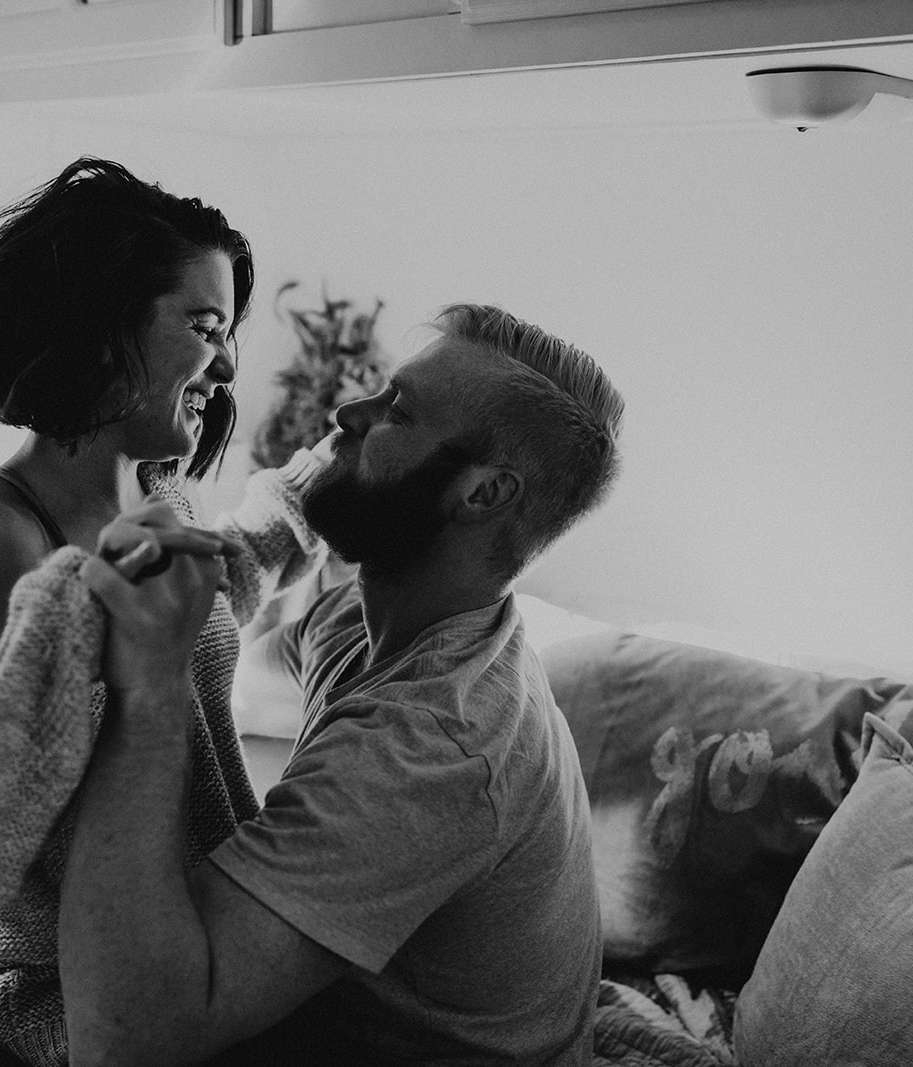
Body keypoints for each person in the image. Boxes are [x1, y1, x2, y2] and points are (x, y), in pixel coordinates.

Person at [0, 158, 331, 1067]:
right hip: (56, 1013)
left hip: (186, 961)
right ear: (104, 324)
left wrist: (322, 483)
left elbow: (207, 603)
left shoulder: (157, 499)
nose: (226, 363)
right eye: (204, 325)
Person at [60, 303, 625, 1065]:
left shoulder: (431, 746)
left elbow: (126, 1040)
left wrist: (146, 687)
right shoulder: (364, 622)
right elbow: (228, 656)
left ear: (483, 493)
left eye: (396, 410)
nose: (344, 412)